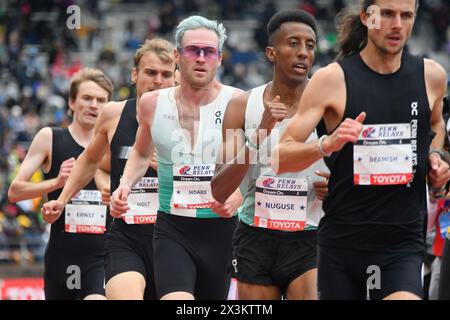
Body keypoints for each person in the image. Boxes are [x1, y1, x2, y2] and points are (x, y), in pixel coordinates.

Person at [272, 0, 450, 300]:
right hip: (343, 247)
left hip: (402, 245)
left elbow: (435, 124)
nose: (397, 24)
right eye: (388, 14)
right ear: (368, 18)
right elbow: (280, 156)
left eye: (406, 15)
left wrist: (435, 157)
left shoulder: (430, 75)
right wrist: (326, 144)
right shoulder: (332, 80)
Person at [110, 15, 244, 300]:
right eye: (193, 50)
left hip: (220, 231)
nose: (200, 58)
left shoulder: (239, 102)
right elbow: (141, 152)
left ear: (219, 59)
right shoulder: (152, 104)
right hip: (173, 228)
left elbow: (259, 161)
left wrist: (241, 195)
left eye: (209, 52)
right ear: (177, 56)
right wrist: (125, 184)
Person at [41, 39, 176, 300]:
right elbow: (91, 161)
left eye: (166, 74)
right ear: (135, 74)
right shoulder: (113, 114)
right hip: (127, 236)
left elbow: (210, 178)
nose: (158, 80)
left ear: (176, 77)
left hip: (174, 237)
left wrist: (169, 168)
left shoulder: (190, 117)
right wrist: (63, 198)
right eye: (150, 72)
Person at [211, 10, 328, 300]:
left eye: (310, 46)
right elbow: (219, 190)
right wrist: (258, 135)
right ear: (271, 52)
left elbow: (356, 173)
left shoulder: (331, 106)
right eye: (293, 43)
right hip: (255, 237)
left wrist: (337, 187)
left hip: (311, 235)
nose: (302, 53)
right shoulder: (241, 107)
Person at [8, 68, 113, 300]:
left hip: (101, 257)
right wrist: (55, 183)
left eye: (101, 100)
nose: (94, 105)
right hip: (62, 256)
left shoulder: (113, 145)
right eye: (87, 98)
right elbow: (14, 191)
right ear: (72, 102)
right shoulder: (50, 138)